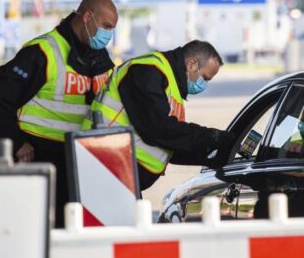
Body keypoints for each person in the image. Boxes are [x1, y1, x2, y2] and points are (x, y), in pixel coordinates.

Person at [0, 0, 118, 227]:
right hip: (40, 159)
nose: (109, 34)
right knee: (40, 232)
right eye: (106, 26)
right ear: (87, 17)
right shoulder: (43, 52)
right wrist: (14, 142)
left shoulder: (100, 60)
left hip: (81, 162)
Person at [82, 40, 235, 192]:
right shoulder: (147, 70)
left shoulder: (170, 85)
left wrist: (207, 156)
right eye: (205, 78)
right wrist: (213, 137)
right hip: (106, 165)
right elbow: (158, 129)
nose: (204, 84)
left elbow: (170, 144)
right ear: (191, 64)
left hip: (120, 173)